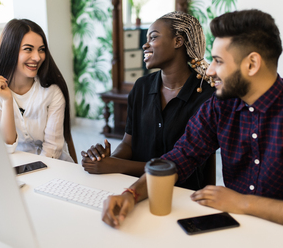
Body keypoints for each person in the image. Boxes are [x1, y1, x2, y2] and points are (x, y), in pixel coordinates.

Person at [101, 9, 283, 237]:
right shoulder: (219, 107)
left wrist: (245, 203)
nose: (210, 70)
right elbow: (178, 158)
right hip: (235, 232)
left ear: (251, 64)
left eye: (218, 61)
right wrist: (131, 194)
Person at [81, 11, 215, 190]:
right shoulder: (142, 87)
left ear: (178, 41)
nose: (145, 45)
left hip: (182, 194)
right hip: (134, 187)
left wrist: (117, 165)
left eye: (153, 37)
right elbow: (128, 143)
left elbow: (185, 163)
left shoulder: (206, 95)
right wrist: (107, 159)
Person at [0, 18, 77, 163]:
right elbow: (7, 147)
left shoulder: (52, 92)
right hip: (15, 167)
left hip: (53, 166)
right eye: (28, 49)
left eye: (41, 50)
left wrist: (32, 172)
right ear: (10, 50)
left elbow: (52, 149)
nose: (37, 57)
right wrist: (7, 100)